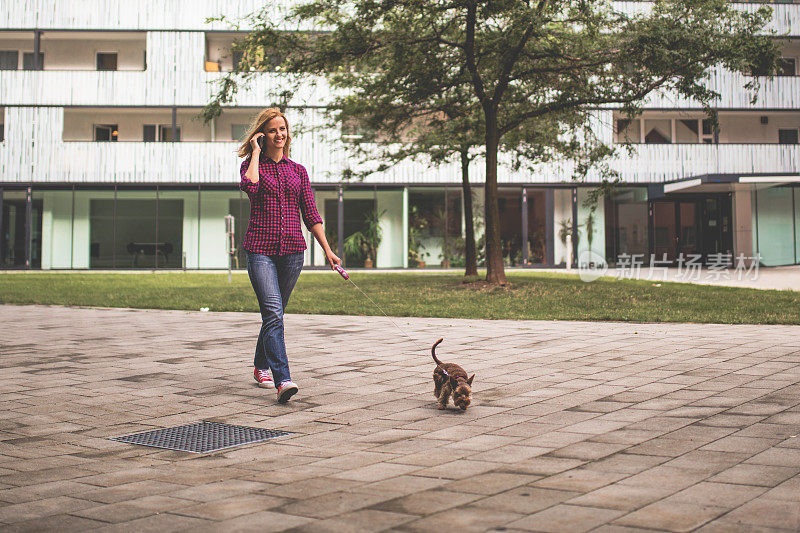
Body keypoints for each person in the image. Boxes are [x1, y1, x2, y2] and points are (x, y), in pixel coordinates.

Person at [238, 108, 340, 403]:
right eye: (272, 130)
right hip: (260, 250)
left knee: (275, 315)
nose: (278, 135)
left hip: (293, 252)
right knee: (273, 313)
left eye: (282, 129)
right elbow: (250, 187)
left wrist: (328, 251)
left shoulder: (298, 171)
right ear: (262, 135)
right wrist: (256, 152)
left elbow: (311, 213)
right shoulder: (251, 165)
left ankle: (260, 365)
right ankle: (284, 379)